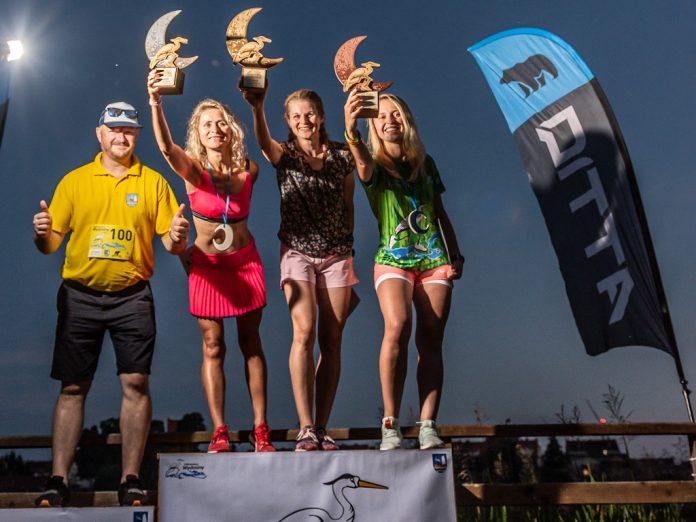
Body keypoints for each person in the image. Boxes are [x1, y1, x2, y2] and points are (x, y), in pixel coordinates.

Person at [32, 101, 190, 507]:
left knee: (136, 383)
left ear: (136, 135)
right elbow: (50, 245)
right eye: (114, 129)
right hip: (80, 296)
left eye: (129, 130)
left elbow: (172, 245)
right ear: (99, 134)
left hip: (132, 297)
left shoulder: (153, 182)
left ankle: (130, 480)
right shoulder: (75, 181)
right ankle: (58, 480)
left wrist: (177, 235)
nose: (122, 136)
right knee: (72, 387)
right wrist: (42, 233)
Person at [147, 71, 275, 453]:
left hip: (245, 263)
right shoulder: (193, 172)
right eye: (206, 125)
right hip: (207, 268)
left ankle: (261, 429)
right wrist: (155, 102)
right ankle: (220, 431)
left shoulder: (249, 170)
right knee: (213, 345)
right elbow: (167, 148)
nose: (215, 129)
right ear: (198, 135)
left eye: (220, 122)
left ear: (231, 130)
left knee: (251, 343)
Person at [344, 91, 464, 450]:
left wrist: (455, 253)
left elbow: (439, 211)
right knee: (397, 325)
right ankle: (390, 423)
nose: (389, 120)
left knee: (431, 339)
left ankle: (427, 424)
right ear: (374, 125)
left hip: (433, 258)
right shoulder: (374, 165)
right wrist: (350, 129)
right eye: (381, 116)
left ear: (406, 119)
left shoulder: (426, 164)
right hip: (393, 258)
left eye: (395, 113)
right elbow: (360, 159)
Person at [240, 85, 357, 451]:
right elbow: (264, 144)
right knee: (304, 330)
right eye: (296, 116)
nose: (304, 120)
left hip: (337, 255)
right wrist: (257, 108)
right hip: (297, 253)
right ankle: (305, 426)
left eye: (309, 114)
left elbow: (349, 202)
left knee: (332, 340)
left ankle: (322, 426)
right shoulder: (286, 154)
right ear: (288, 122)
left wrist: (347, 245)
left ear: (320, 117)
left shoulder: (342, 155)